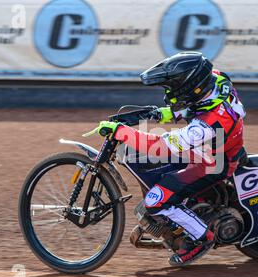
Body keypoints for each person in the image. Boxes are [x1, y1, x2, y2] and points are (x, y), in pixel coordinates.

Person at [85, 52, 246, 266]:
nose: (169, 93)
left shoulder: (208, 124)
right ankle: (173, 218)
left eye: (172, 89)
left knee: (155, 200)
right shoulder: (216, 79)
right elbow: (195, 107)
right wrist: (154, 114)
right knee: (143, 161)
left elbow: (161, 145)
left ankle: (201, 238)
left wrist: (122, 132)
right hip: (213, 148)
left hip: (213, 163)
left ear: (191, 87)